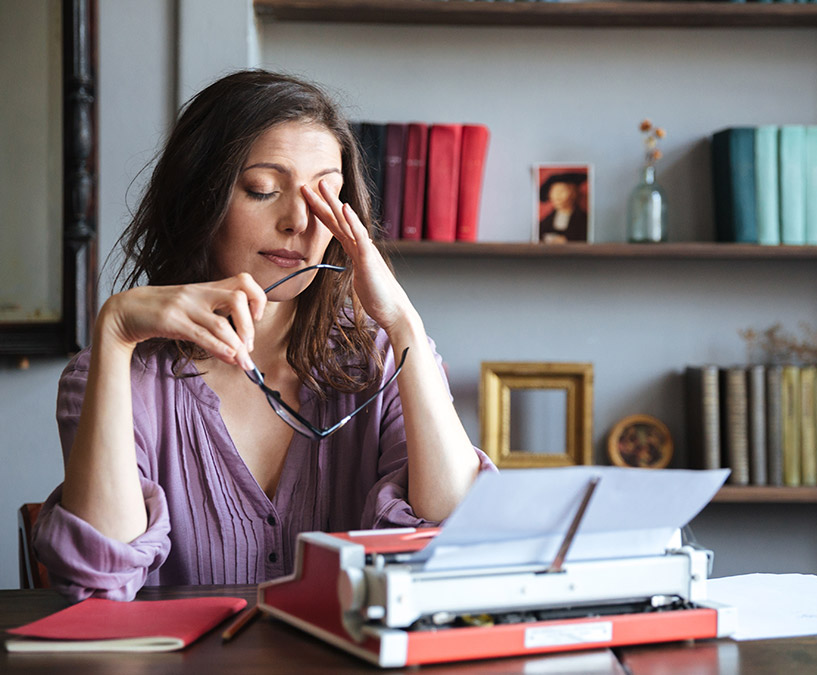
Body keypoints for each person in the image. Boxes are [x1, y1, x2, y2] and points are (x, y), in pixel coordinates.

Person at [32, 70, 495, 602]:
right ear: (199, 197)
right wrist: (115, 332)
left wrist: (404, 322)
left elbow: (459, 542)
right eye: (263, 190)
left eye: (324, 195)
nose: (298, 220)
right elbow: (99, 580)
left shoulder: (385, 356)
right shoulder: (120, 375)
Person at [537, 172, 588, 243]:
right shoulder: (546, 221)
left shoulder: (583, 220)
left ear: (574, 193)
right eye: (553, 191)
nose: (557, 196)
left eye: (562, 191)